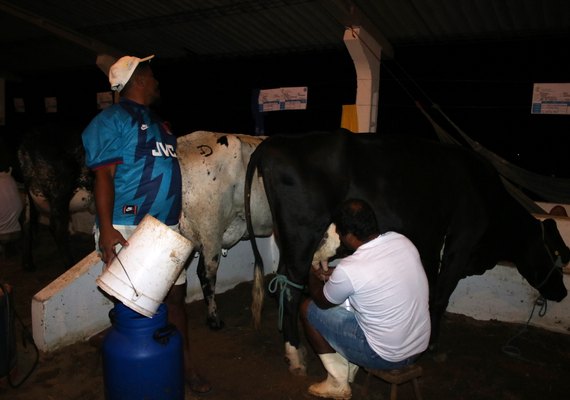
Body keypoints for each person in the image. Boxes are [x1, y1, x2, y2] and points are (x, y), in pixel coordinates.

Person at [81, 55, 211, 394]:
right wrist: (107, 228)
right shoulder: (111, 120)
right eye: (151, 74)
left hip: (163, 230)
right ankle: (125, 357)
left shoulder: (158, 122)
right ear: (138, 80)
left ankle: (183, 364)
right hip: (127, 227)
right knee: (135, 308)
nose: (156, 81)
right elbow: (104, 176)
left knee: (175, 301)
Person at [300, 198, 431, 399]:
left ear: (350, 236)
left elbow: (321, 301)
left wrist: (311, 269)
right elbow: (380, 273)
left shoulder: (351, 268)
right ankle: (349, 365)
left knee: (308, 308)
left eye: (340, 233)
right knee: (354, 303)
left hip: (386, 356)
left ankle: (337, 382)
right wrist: (334, 275)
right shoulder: (402, 241)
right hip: (419, 345)